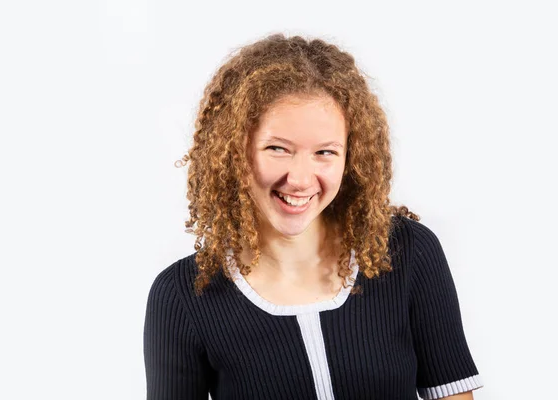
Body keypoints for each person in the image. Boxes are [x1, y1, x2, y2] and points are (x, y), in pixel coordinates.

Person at [143, 33, 483, 400]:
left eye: (325, 152)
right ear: (235, 152)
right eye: (278, 149)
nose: (301, 180)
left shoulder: (406, 251)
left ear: (351, 156)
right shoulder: (183, 295)